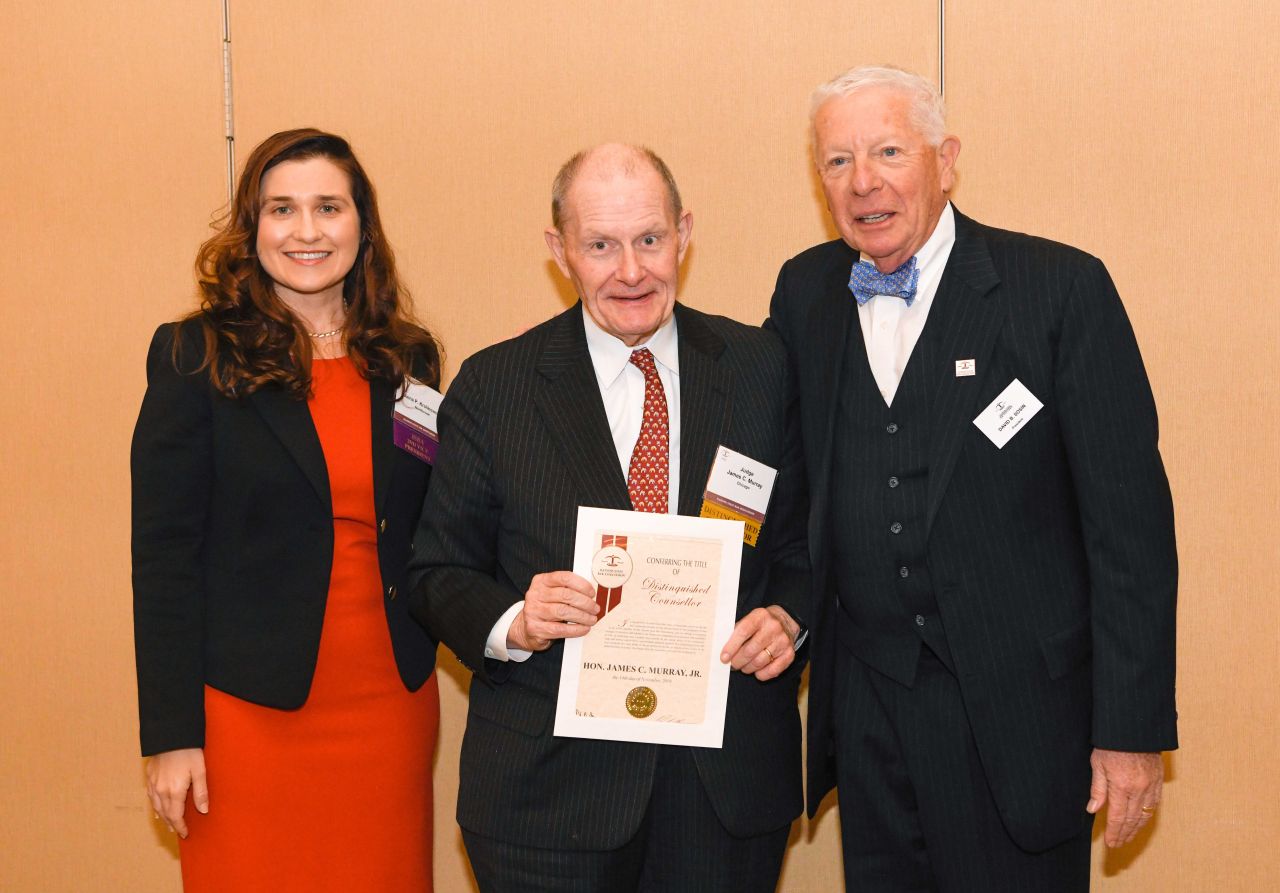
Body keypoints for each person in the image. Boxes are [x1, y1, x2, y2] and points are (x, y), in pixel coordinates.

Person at [766, 65, 1178, 891]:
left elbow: (1129, 532)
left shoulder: (1058, 290)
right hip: (869, 706)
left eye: (889, 151)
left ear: (945, 160)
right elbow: (782, 473)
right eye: (838, 161)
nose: (863, 181)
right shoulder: (805, 290)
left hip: (1021, 720)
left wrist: (1130, 730)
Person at [408, 143, 810, 893]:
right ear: (560, 249)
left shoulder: (761, 368)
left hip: (722, 790)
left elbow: (803, 545)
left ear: (683, 233)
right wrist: (515, 620)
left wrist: (788, 618)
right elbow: (436, 570)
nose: (631, 271)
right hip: (547, 796)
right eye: (600, 245)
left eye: (649, 239)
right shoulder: (495, 387)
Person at [132, 128, 442, 891]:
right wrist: (171, 734)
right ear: (253, 227)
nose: (307, 230)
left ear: (362, 224)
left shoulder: (408, 359)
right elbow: (164, 558)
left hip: (389, 703)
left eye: (329, 207)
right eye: (282, 209)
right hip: (246, 714)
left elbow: (434, 521)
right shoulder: (195, 355)